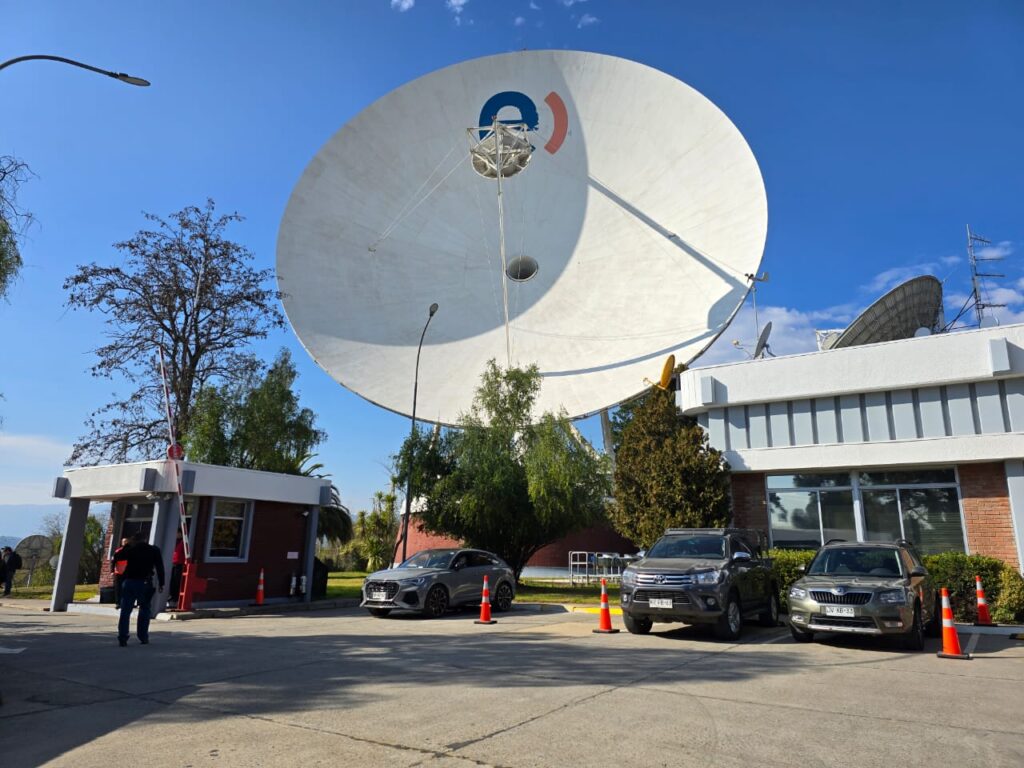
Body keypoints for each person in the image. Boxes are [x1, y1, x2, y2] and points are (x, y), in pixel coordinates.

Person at [116, 533, 165, 647]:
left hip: (130, 582)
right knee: (144, 609)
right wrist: (161, 583)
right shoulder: (153, 550)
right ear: (146, 539)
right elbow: (159, 567)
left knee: (125, 611)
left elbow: (118, 557)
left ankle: (123, 637)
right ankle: (143, 636)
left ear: (134, 540)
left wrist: (127, 545)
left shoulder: (130, 550)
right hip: (145, 582)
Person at [111, 537, 129, 608]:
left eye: (126, 542)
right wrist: (112, 571)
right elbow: (113, 562)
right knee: (118, 588)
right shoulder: (118, 551)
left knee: (126, 588)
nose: (124, 543)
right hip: (118, 572)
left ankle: (124, 602)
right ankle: (118, 603)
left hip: (126, 573)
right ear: (121, 543)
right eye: (123, 542)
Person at [169, 529, 186, 604]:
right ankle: (172, 596)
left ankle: (175, 597)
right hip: (173, 563)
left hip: (180, 564)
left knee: (177, 581)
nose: (176, 535)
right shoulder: (174, 541)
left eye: (177, 533)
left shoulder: (183, 542)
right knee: (171, 581)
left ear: (181, 534)